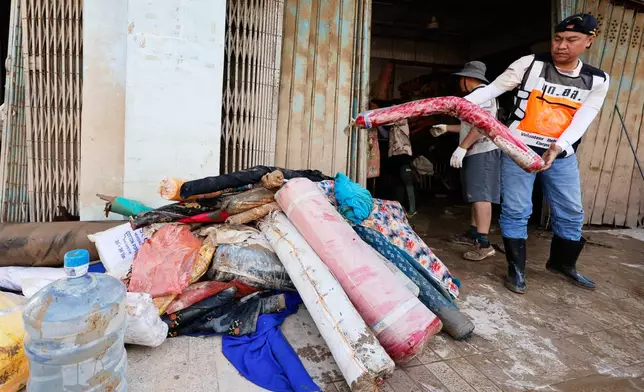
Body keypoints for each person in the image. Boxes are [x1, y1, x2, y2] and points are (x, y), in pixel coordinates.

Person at [464, 14, 609, 293]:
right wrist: (456, 103)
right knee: (517, 209)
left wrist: (559, 146)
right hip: (518, 148)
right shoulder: (529, 64)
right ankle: (516, 270)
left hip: (560, 153)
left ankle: (563, 264)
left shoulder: (597, 80)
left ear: (589, 41)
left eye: (571, 40)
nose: (562, 45)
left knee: (571, 212)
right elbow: (493, 89)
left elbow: (584, 118)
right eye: (558, 39)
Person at [431, 61, 500, 261]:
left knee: (481, 196)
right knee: (474, 194)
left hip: (483, 151)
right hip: (474, 151)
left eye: (460, 79)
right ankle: (473, 233)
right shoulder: (475, 97)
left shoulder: (485, 95)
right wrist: (446, 127)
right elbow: (467, 127)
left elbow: (481, 126)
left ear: (466, 79)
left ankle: (484, 244)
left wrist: (462, 147)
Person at [371, 100, 417, 216]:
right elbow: (385, 134)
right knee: (399, 182)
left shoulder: (401, 118)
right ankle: (400, 207)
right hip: (395, 154)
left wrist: (374, 115)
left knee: (406, 180)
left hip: (403, 153)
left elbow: (384, 122)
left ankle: (412, 209)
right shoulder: (393, 123)